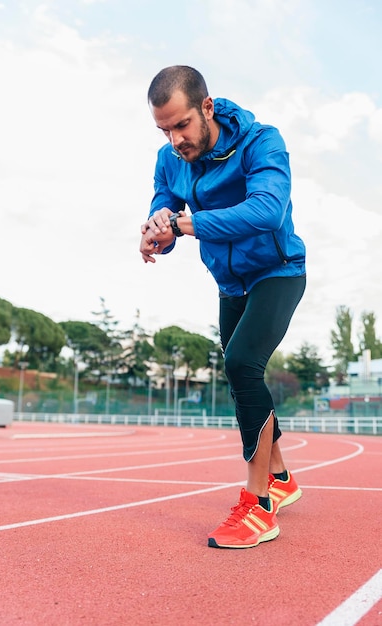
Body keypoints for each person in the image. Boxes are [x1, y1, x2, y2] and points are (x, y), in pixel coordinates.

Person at [139, 65, 306, 549]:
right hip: (230, 282)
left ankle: (259, 505)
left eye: (181, 125)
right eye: (163, 129)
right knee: (239, 376)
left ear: (206, 108)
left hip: (278, 271)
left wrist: (189, 225)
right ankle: (282, 478)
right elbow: (165, 202)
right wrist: (156, 228)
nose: (175, 140)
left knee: (240, 363)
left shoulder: (261, 142)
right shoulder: (170, 158)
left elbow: (267, 209)